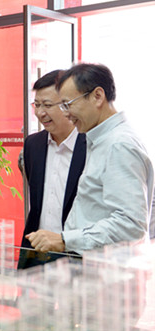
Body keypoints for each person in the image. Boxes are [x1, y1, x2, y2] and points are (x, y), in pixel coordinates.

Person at [26, 63, 154, 254]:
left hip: (108, 267)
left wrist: (65, 240)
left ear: (97, 96)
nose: (66, 113)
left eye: (68, 104)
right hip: (90, 263)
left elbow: (130, 226)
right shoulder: (100, 140)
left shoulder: (119, 145)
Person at [18, 70, 86, 269]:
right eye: (37, 105)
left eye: (47, 105)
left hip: (76, 254)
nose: (40, 113)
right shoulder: (32, 145)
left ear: (67, 104)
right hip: (37, 252)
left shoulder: (91, 145)